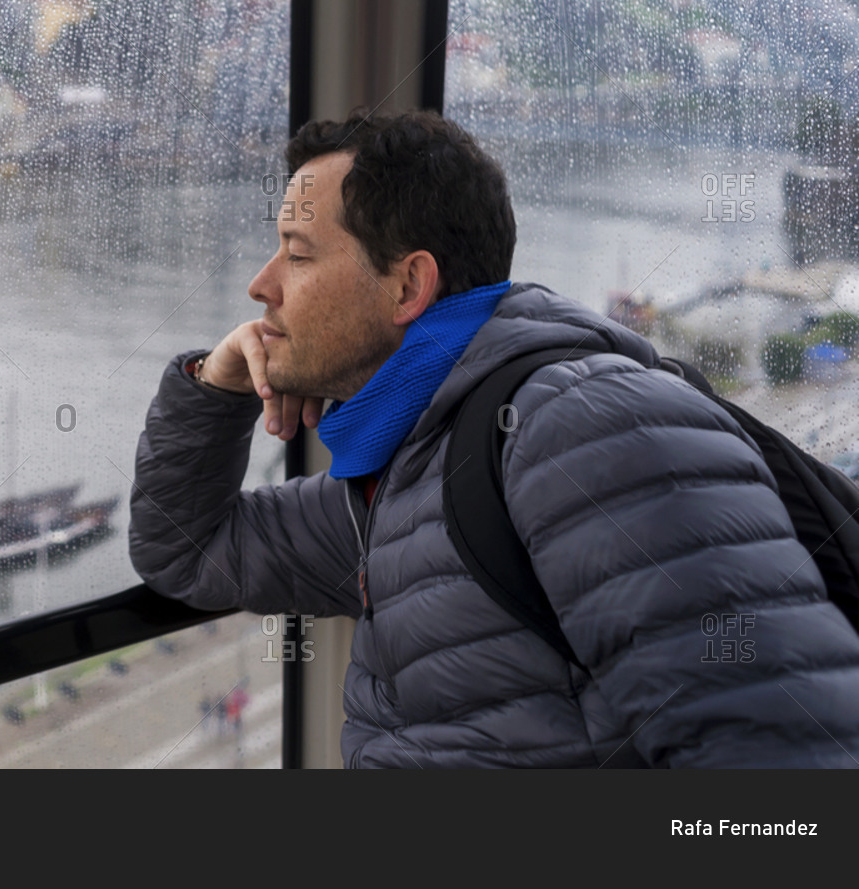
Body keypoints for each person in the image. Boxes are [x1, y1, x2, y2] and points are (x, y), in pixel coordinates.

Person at [128, 107, 859, 768]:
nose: (261, 285)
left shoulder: (580, 427)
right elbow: (187, 550)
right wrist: (215, 384)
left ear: (408, 286)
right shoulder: (405, 472)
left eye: (297, 253)